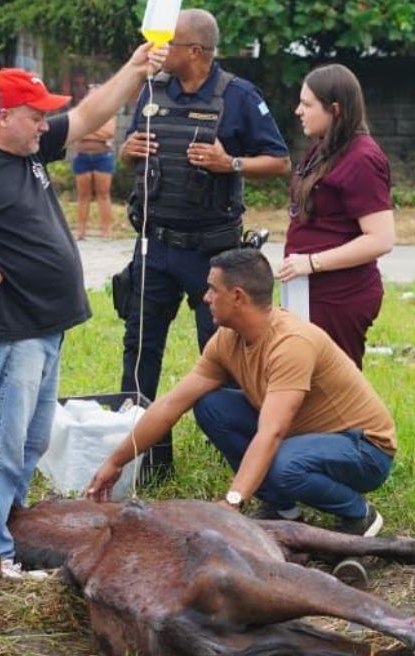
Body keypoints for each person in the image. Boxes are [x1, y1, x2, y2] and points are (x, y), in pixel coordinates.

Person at [0, 44, 167, 580]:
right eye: (35, 115)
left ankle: (11, 530)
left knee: (31, 441)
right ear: (0, 116)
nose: (44, 125)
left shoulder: (28, 149)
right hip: (10, 333)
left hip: (44, 328)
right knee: (2, 445)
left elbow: (89, 115)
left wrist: (135, 68)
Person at [88, 248, 396, 536]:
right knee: (211, 405)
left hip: (364, 449)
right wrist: (116, 461)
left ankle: (359, 514)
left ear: (237, 297)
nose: (205, 297)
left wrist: (233, 501)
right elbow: (171, 404)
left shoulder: (291, 344)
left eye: (213, 289)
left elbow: (272, 432)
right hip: (304, 437)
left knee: (284, 463)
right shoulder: (227, 339)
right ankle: (281, 508)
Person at [118, 8, 291, 474]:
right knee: (139, 348)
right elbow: (130, 152)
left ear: (195, 51)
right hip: (155, 246)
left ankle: (241, 455)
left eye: (168, 44)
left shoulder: (238, 96)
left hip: (212, 253)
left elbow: (279, 161)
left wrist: (228, 163)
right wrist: (127, 151)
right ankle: (144, 459)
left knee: (223, 352)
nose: (158, 52)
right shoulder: (153, 89)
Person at [277, 64, 395, 370]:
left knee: (335, 383)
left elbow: (381, 239)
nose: (298, 111)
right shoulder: (324, 148)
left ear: (335, 109)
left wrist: (313, 262)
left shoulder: (363, 158)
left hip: (341, 295)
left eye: (307, 105)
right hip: (308, 289)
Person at [72, 88, 116, 240]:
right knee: (83, 195)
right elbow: (76, 132)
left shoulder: (108, 113)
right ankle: (80, 231)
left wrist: (87, 130)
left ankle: (106, 231)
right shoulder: (80, 113)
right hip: (82, 156)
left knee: (103, 194)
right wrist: (96, 130)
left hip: (102, 156)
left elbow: (109, 132)